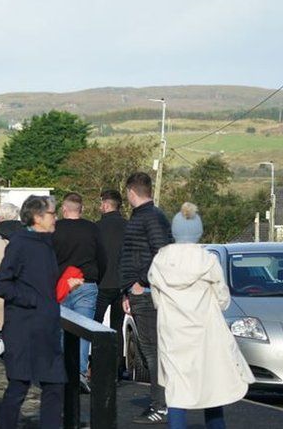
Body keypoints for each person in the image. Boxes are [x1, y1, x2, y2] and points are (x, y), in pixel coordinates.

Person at [148, 242, 254, 429]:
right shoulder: (208, 260)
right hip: (205, 332)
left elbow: (156, 299)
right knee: (212, 386)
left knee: (177, 391)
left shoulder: (159, 261)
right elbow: (222, 299)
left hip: (173, 332)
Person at [0, 195, 69, 429]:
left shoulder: (47, 243)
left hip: (46, 328)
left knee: (55, 385)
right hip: (23, 329)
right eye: (52, 214)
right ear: (37, 217)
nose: (55, 218)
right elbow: (1, 284)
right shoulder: (20, 243)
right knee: (18, 386)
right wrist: (34, 299)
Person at [120, 172, 174, 424]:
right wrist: (127, 291)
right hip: (140, 292)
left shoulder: (150, 217)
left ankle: (160, 405)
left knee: (153, 352)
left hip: (148, 293)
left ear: (131, 191)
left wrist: (140, 282)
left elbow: (161, 252)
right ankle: (160, 403)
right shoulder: (150, 216)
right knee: (151, 351)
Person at [52, 192, 105, 387]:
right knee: (83, 331)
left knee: (60, 332)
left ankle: (61, 373)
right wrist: (96, 278)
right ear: (81, 209)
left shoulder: (54, 229)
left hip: (59, 285)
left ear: (63, 209)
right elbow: (102, 257)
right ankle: (80, 374)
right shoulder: (92, 229)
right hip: (86, 283)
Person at [94, 189, 128, 380]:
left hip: (101, 283)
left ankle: (97, 367)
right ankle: (115, 369)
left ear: (106, 205)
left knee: (94, 326)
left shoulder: (97, 227)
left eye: (101, 204)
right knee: (117, 327)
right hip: (122, 285)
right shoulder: (128, 226)